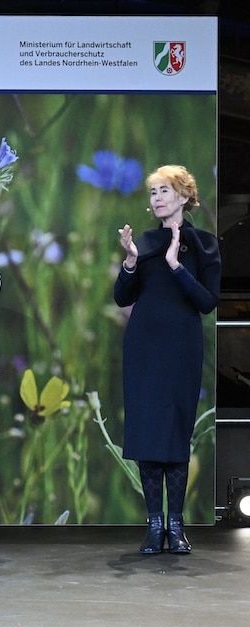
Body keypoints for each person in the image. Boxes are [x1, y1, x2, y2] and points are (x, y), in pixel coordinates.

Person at [114, 164, 220, 554]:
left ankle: (176, 526)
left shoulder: (204, 243)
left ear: (182, 196)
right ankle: (154, 525)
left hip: (181, 346)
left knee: (175, 432)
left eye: (163, 191)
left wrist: (176, 266)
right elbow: (123, 298)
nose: (156, 198)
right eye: (152, 192)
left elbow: (207, 301)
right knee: (146, 433)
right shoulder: (143, 241)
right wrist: (129, 263)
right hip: (143, 346)